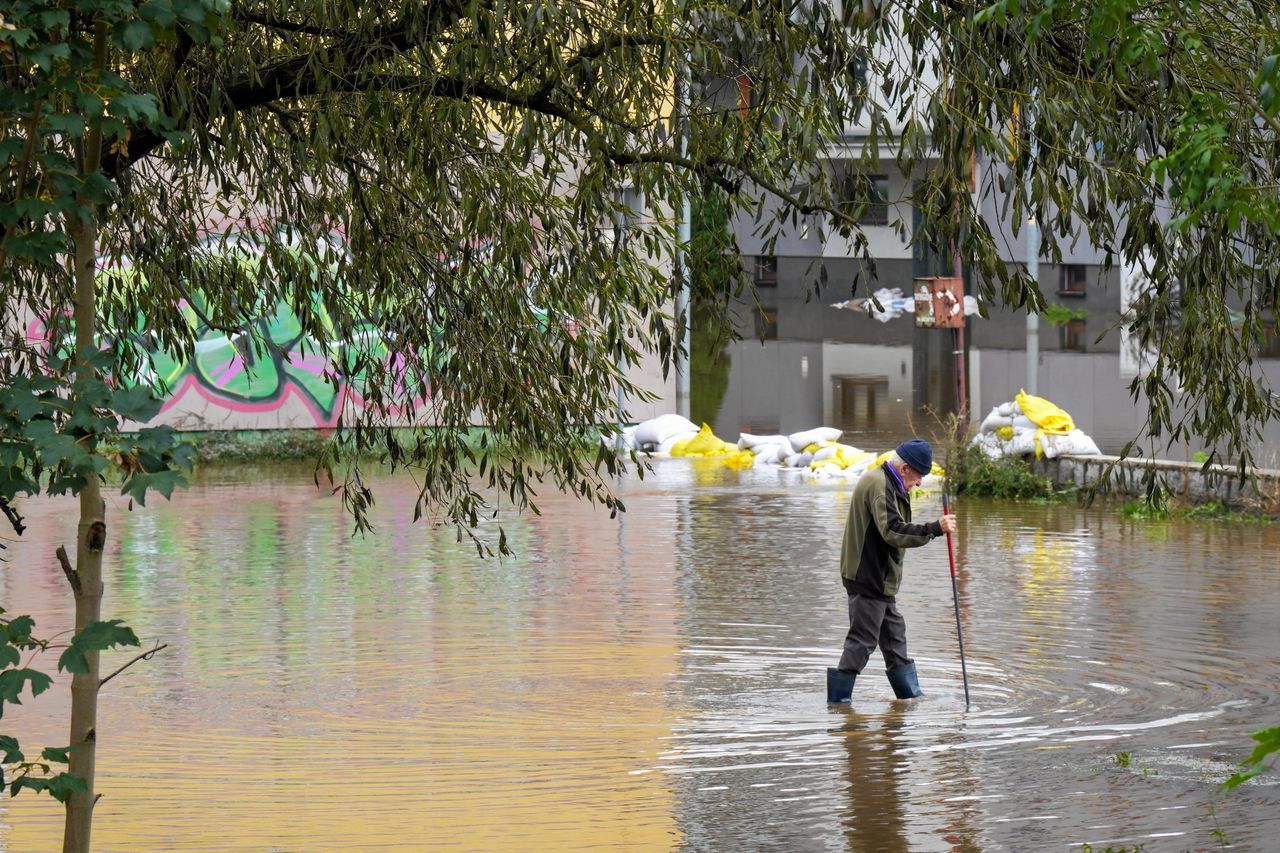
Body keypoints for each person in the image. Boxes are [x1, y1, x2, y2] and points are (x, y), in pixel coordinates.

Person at [826, 438, 957, 703]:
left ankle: (910, 699)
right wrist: (933, 529)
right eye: (919, 475)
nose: (920, 482)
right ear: (905, 468)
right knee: (862, 642)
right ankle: (838, 705)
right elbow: (893, 530)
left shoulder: (890, 482)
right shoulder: (879, 484)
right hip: (868, 576)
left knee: (895, 637)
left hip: (880, 579)